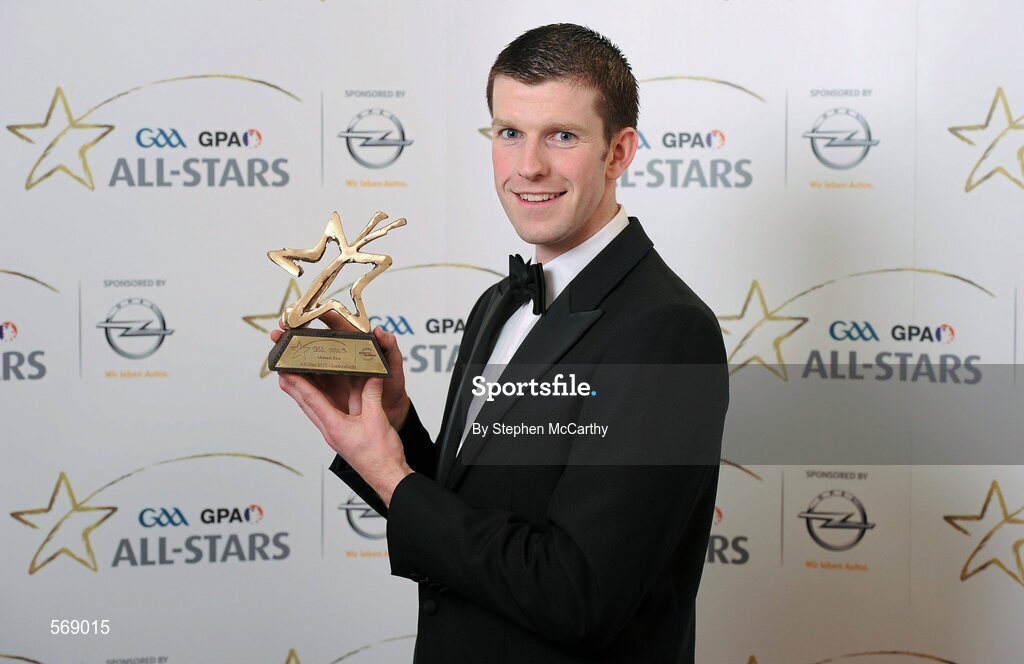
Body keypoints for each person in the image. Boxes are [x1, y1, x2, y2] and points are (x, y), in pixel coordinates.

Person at [273, 23, 728, 664]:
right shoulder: (498, 303)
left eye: (562, 136)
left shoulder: (667, 331)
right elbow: (481, 507)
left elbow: (580, 596)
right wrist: (393, 425)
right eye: (510, 133)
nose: (528, 166)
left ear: (619, 152)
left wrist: (391, 477)